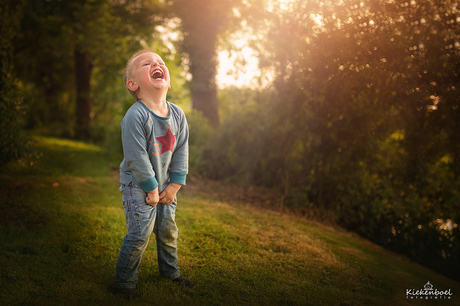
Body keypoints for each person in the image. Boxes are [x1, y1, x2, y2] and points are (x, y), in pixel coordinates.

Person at [113, 49, 192, 300]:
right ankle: (124, 282)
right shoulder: (135, 116)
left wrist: (175, 185)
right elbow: (136, 157)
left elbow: (181, 151)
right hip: (138, 185)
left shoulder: (177, 114)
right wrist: (151, 189)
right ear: (133, 84)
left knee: (168, 230)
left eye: (160, 62)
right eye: (147, 63)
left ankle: (170, 272)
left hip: (166, 185)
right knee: (140, 233)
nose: (156, 64)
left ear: (166, 80)